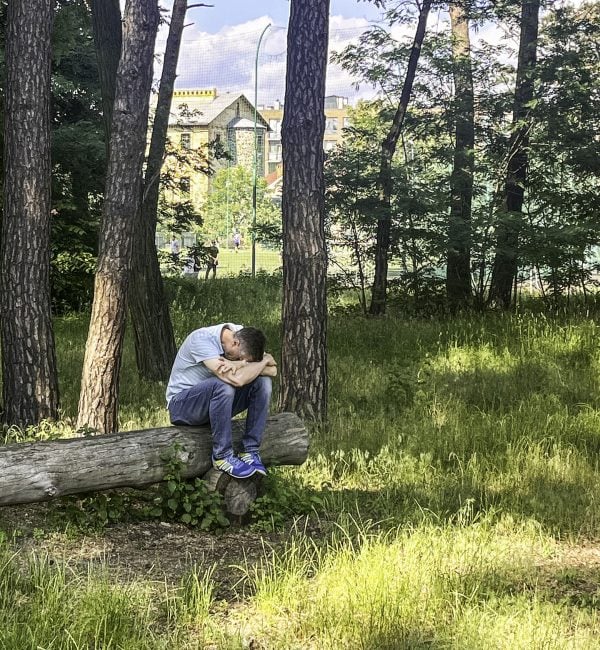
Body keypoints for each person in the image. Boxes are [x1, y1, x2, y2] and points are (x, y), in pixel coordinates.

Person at [166, 323, 277, 479]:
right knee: (224, 385)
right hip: (182, 406)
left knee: (263, 383)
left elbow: (273, 370)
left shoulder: (242, 334)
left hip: (212, 404)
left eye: (243, 360)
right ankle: (222, 456)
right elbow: (237, 380)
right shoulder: (201, 340)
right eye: (240, 358)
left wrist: (255, 363)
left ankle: (250, 451)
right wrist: (255, 363)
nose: (241, 361)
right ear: (235, 343)